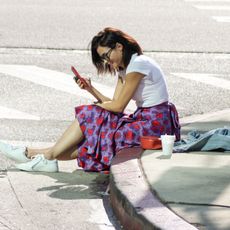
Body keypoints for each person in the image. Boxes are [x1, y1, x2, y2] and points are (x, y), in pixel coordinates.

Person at [0, 27, 180, 173]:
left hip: (155, 124)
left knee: (95, 122)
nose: (106, 61)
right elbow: (115, 102)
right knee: (96, 129)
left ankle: (36, 155)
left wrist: (95, 110)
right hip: (144, 119)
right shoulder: (125, 68)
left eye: (106, 55)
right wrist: (91, 90)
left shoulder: (139, 64)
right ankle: (38, 156)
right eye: (102, 58)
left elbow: (117, 106)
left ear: (119, 46)